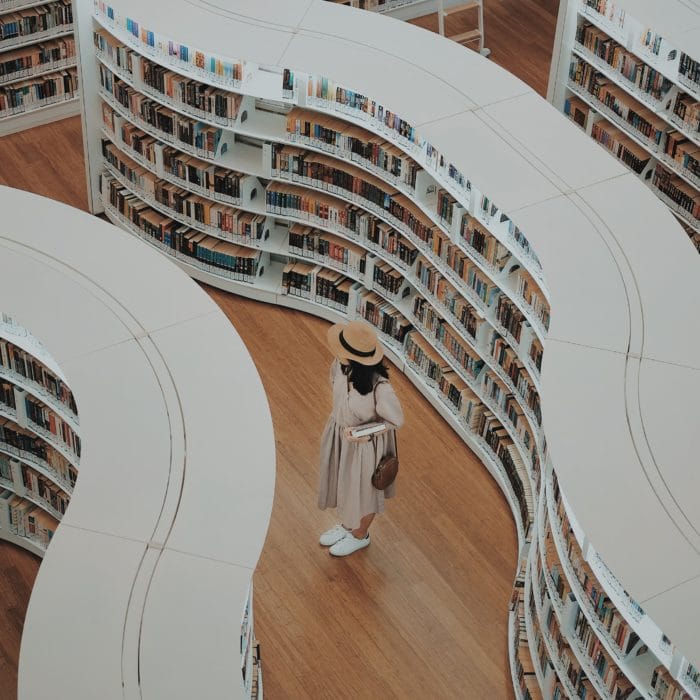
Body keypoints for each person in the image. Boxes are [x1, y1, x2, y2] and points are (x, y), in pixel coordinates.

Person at [318, 319, 404, 557]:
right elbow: (334, 386)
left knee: (365, 492)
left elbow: (396, 421)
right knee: (345, 486)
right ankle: (347, 525)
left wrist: (364, 433)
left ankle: (360, 535)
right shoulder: (340, 365)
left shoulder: (381, 388)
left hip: (365, 447)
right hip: (340, 434)